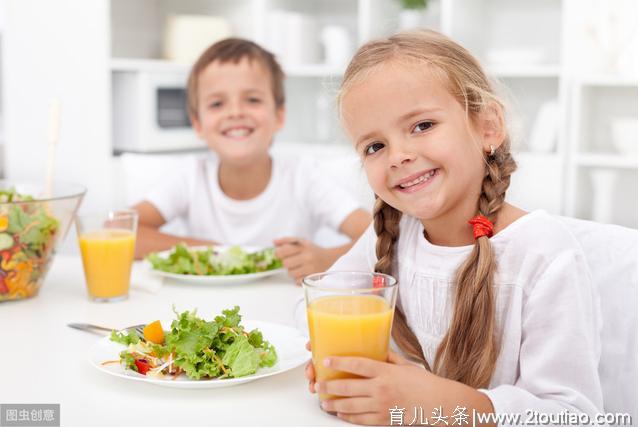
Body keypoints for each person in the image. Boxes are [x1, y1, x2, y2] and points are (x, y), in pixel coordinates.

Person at [300, 30, 604, 425]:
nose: (399, 156)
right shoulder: (391, 233)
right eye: (374, 147)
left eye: (422, 125)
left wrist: (436, 405)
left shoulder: (543, 255)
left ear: (488, 127)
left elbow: (572, 416)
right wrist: (334, 358)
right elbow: (319, 302)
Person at [133, 38, 371, 283]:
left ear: (279, 115)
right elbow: (120, 231)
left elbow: (378, 237)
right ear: (197, 124)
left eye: (252, 100)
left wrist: (326, 259)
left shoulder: (302, 176)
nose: (236, 112)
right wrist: (211, 251)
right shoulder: (191, 176)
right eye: (217, 103)